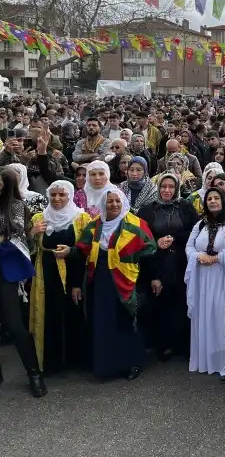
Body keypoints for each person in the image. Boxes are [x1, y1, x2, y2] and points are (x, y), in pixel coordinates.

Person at [71, 187, 157, 381]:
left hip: (127, 281)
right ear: (103, 204)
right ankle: (105, 367)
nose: (114, 204)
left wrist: (152, 276)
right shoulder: (94, 227)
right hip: (101, 282)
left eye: (118, 201)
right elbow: (80, 252)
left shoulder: (136, 224)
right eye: (110, 201)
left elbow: (150, 251)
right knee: (103, 323)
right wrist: (76, 280)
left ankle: (130, 364)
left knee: (127, 322)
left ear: (124, 202)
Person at [28, 180, 91, 375]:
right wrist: (31, 233)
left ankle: (74, 360)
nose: (57, 199)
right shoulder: (39, 218)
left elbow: (88, 249)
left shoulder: (82, 218)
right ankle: (52, 362)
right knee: (49, 315)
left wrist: (71, 252)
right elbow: (28, 250)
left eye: (61, 195)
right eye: (53, 195)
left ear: (70, 195)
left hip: (73, 272)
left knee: (72, 313)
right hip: (45, 274)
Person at [137, 173, 198, 361]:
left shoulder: (186, 206)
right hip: (157, 262)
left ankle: (182, 345)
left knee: (181, 302)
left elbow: (196, 230)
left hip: (181, 262)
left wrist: (174, 238)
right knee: (161, 304)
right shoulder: (147, 210)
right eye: (163, 186)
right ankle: (163, 345)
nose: (167, 190)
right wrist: (157, 241)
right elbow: (142, 238)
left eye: (171, 187)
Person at [184, 187, 225, 381]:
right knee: (204, 315)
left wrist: (216, 259)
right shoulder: (201, 224)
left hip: (222, 277)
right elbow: (189, 246)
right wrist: (199, 256)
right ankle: (206, 360)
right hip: (202, 278)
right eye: (209, 199)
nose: (213, 202)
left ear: (224, 200)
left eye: (217, 198)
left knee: (222, 317)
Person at [0, 168, 47, 397]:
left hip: (5, 271)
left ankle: (34, 373)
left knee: (14, 324)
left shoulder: (15, 205)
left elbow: (15, 232)